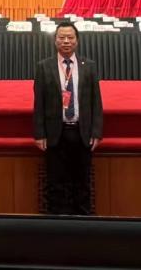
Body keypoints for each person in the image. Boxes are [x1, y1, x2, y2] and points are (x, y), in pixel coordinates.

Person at [33, 22, 103, 215]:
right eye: (61, 37)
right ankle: (58, 224)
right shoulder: (44, 67)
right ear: (55, 41)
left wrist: (96, 132)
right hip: (55, 133)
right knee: (56, 184)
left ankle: (83, 224)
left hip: (82, 133)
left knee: (82, 183)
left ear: (77, 41)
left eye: (70, 37)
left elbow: (96, 101)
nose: (66, 41)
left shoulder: (89, 66)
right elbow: (39, 102)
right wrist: (39, 133)